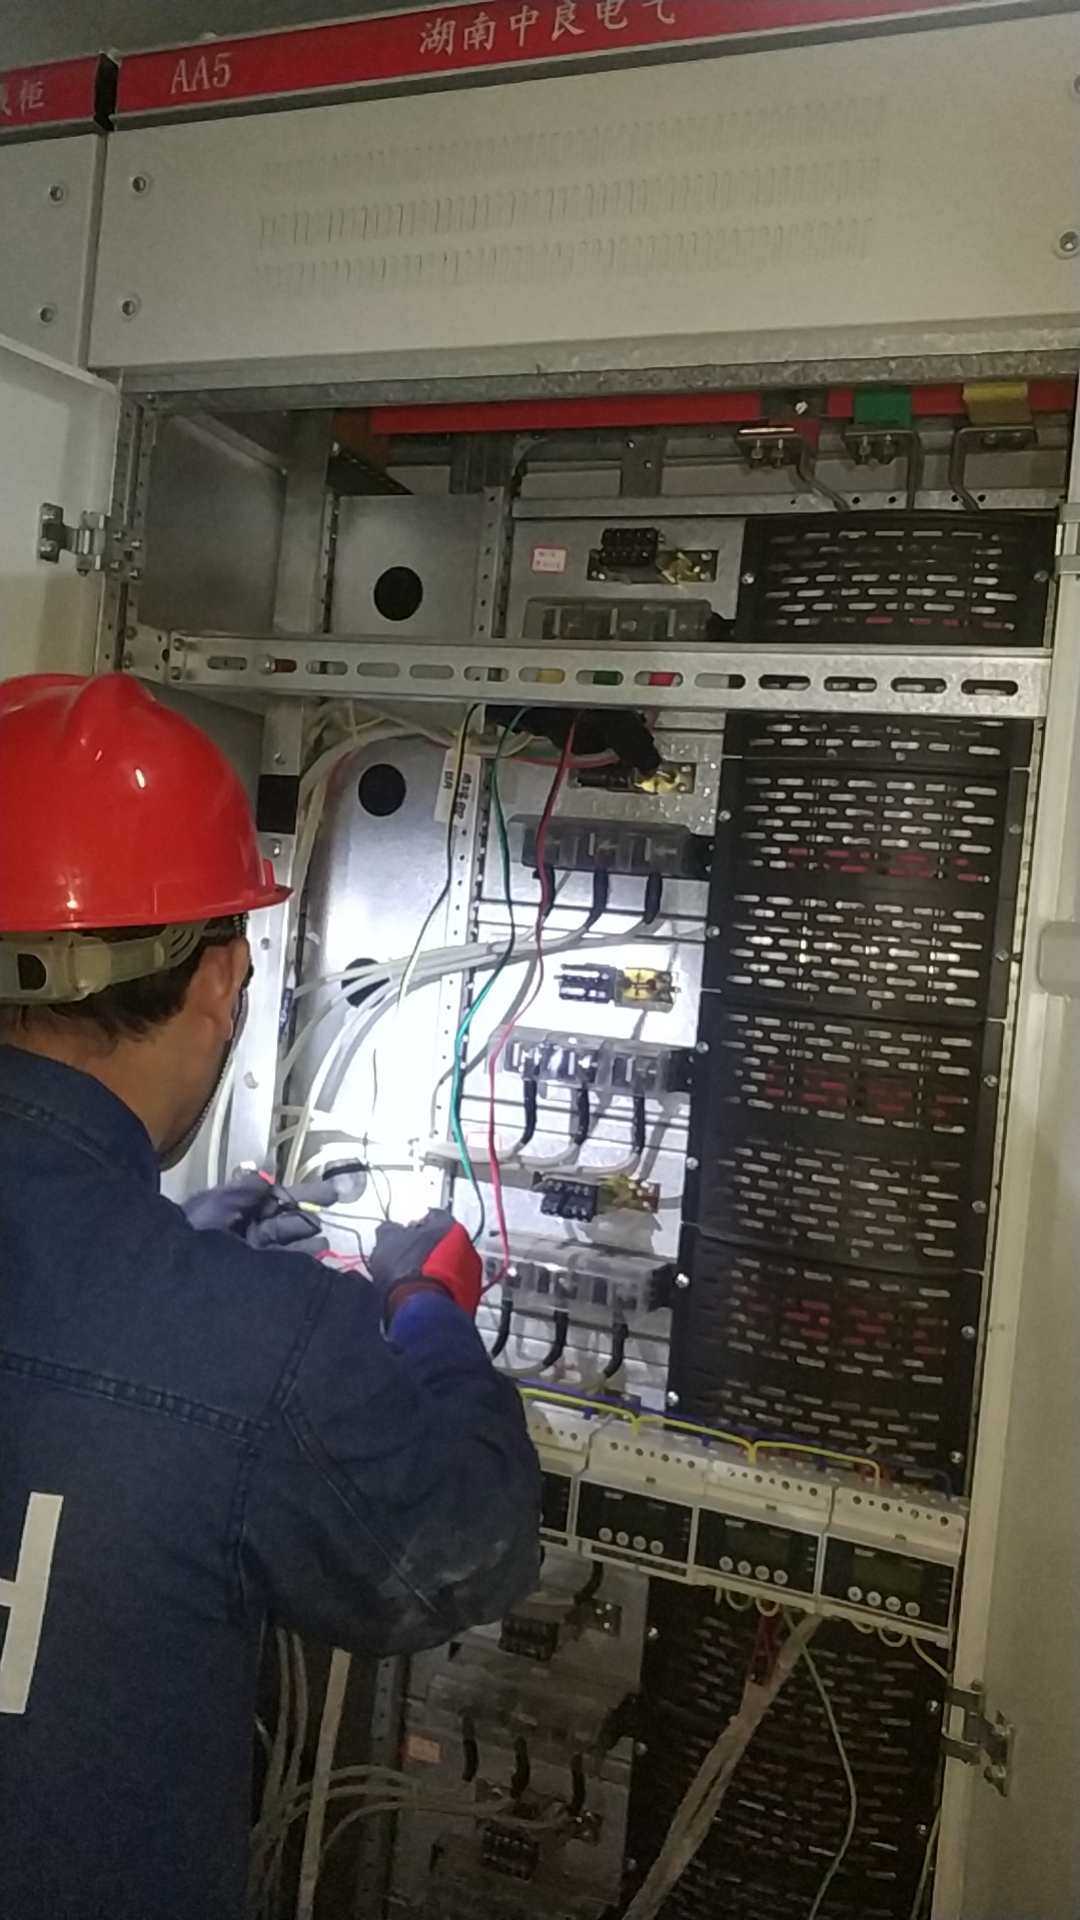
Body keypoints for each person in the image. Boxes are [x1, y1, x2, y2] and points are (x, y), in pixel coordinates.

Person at [0, 673, 541, 1920]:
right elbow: (460, 1548)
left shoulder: (220, 1325)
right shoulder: (262, 1341)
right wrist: (428, 1307)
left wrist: (174, 1259)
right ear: (221, 979)